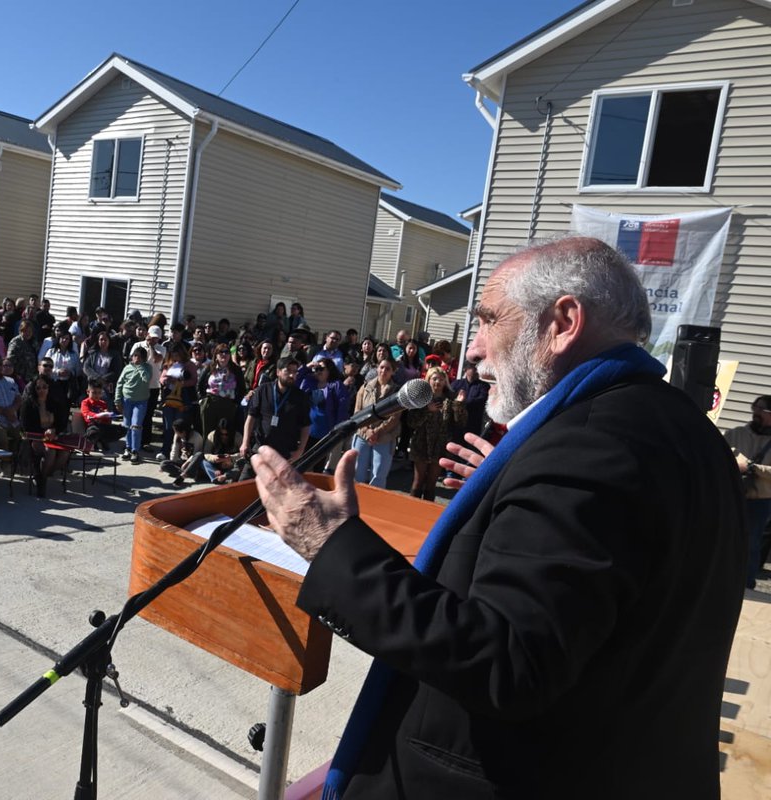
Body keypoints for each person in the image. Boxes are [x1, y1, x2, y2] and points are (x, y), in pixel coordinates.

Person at [248, 237, 745, 799]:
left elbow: (507, 663)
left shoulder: (584, 453)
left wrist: (329, 544)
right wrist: (521, 482)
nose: (473, 351)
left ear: (562, 322)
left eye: (486, 321)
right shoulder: (679, 428)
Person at [723, 396, 771, 588]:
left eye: (761, 410)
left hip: (759, 500)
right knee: (723, 537)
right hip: (732, 495)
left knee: (751, 543)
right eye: (755, 408)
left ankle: (745, 584)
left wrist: (752, 468)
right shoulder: (735, 434)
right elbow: (719, 457)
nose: (756, 413)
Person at [238, 356, 311, 481]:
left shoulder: (300, 397)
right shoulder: (263, 390)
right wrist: (245, 442)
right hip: (261, 447)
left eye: (295, 372)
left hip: (286, 452)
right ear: (278, 372)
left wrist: (300, 450)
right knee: (244, 483)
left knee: (280, 489)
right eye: (288, 371)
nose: (292, 375)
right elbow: (251, 417)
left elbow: (306, 425)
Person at [404, 367, 465, 501]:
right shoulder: (421, 398)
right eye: (434, 378)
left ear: (445, 382)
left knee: (431, 485)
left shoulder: (449, 400)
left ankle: (426, 516)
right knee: (418, 481)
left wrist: (459, 405)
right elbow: (411, 422)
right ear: (428, 380)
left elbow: (459, 422)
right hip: (421, 444)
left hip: (439, 447)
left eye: (441, 379)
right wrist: (427, 410)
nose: (438, 382)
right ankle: (409, 512)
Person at [351, 359, 401, 488]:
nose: (384, 371)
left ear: (393, 372)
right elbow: (358, 411)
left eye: (388, 369)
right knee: (358, 472)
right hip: (363, 434)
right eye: (382, 367)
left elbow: (395, 417)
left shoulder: (396, 391)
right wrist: (367, 430)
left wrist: (377, 431)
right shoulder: (366, 387)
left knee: (378, 475)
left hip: (384, 437)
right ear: (377, 368)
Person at [20, 376, 71, 498]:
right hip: (36, 437)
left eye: (44, 387)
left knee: (65, 453)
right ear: (34, 389)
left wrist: (54, 430)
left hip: (54, 437)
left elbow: (62, 422)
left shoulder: (55, 403)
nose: (41, 390)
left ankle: (43, 476)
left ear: (49, 388)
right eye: (38, 388)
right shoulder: (28, 404)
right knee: (50, 452)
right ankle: (42, 481)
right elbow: (25, 425)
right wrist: (44, 432)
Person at [198, 343, 245, 442]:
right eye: (221, 352)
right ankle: (207, 453)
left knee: (226, 432)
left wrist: (235, 403)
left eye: (226, 352)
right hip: (210, 402)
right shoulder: (209, 367)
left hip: (228, 404)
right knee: (208, 432)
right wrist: (202, 399)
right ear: (216, 355)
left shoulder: (236, 370)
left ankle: (224, 454)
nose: (224, 354)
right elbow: (200, 384)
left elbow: (242, 388)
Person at [115, 346, 153, 463]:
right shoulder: (127, 368)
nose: (136, 358)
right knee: (127, 425)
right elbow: (120, 383)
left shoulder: (147, 368)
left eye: (140, 357)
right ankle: (128, 448)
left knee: (136, 425)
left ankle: (135, 450)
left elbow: (146, 379)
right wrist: (117, 400)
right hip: (127, 400)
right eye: (135, 356)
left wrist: (140, 366)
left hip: (141, 401)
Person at [80, 379, 124, 452]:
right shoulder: (85, 402)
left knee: (122, 430)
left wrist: (108, 416)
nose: (97, 395)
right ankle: (93, 442)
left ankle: (103, 440)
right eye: (94, 393)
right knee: (94, 431)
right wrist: (99, 415)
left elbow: (107, 419)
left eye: (99, 393)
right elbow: (87, 414)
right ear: (88, 392)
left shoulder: (103, 403)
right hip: (92, 426)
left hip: (103, 425)